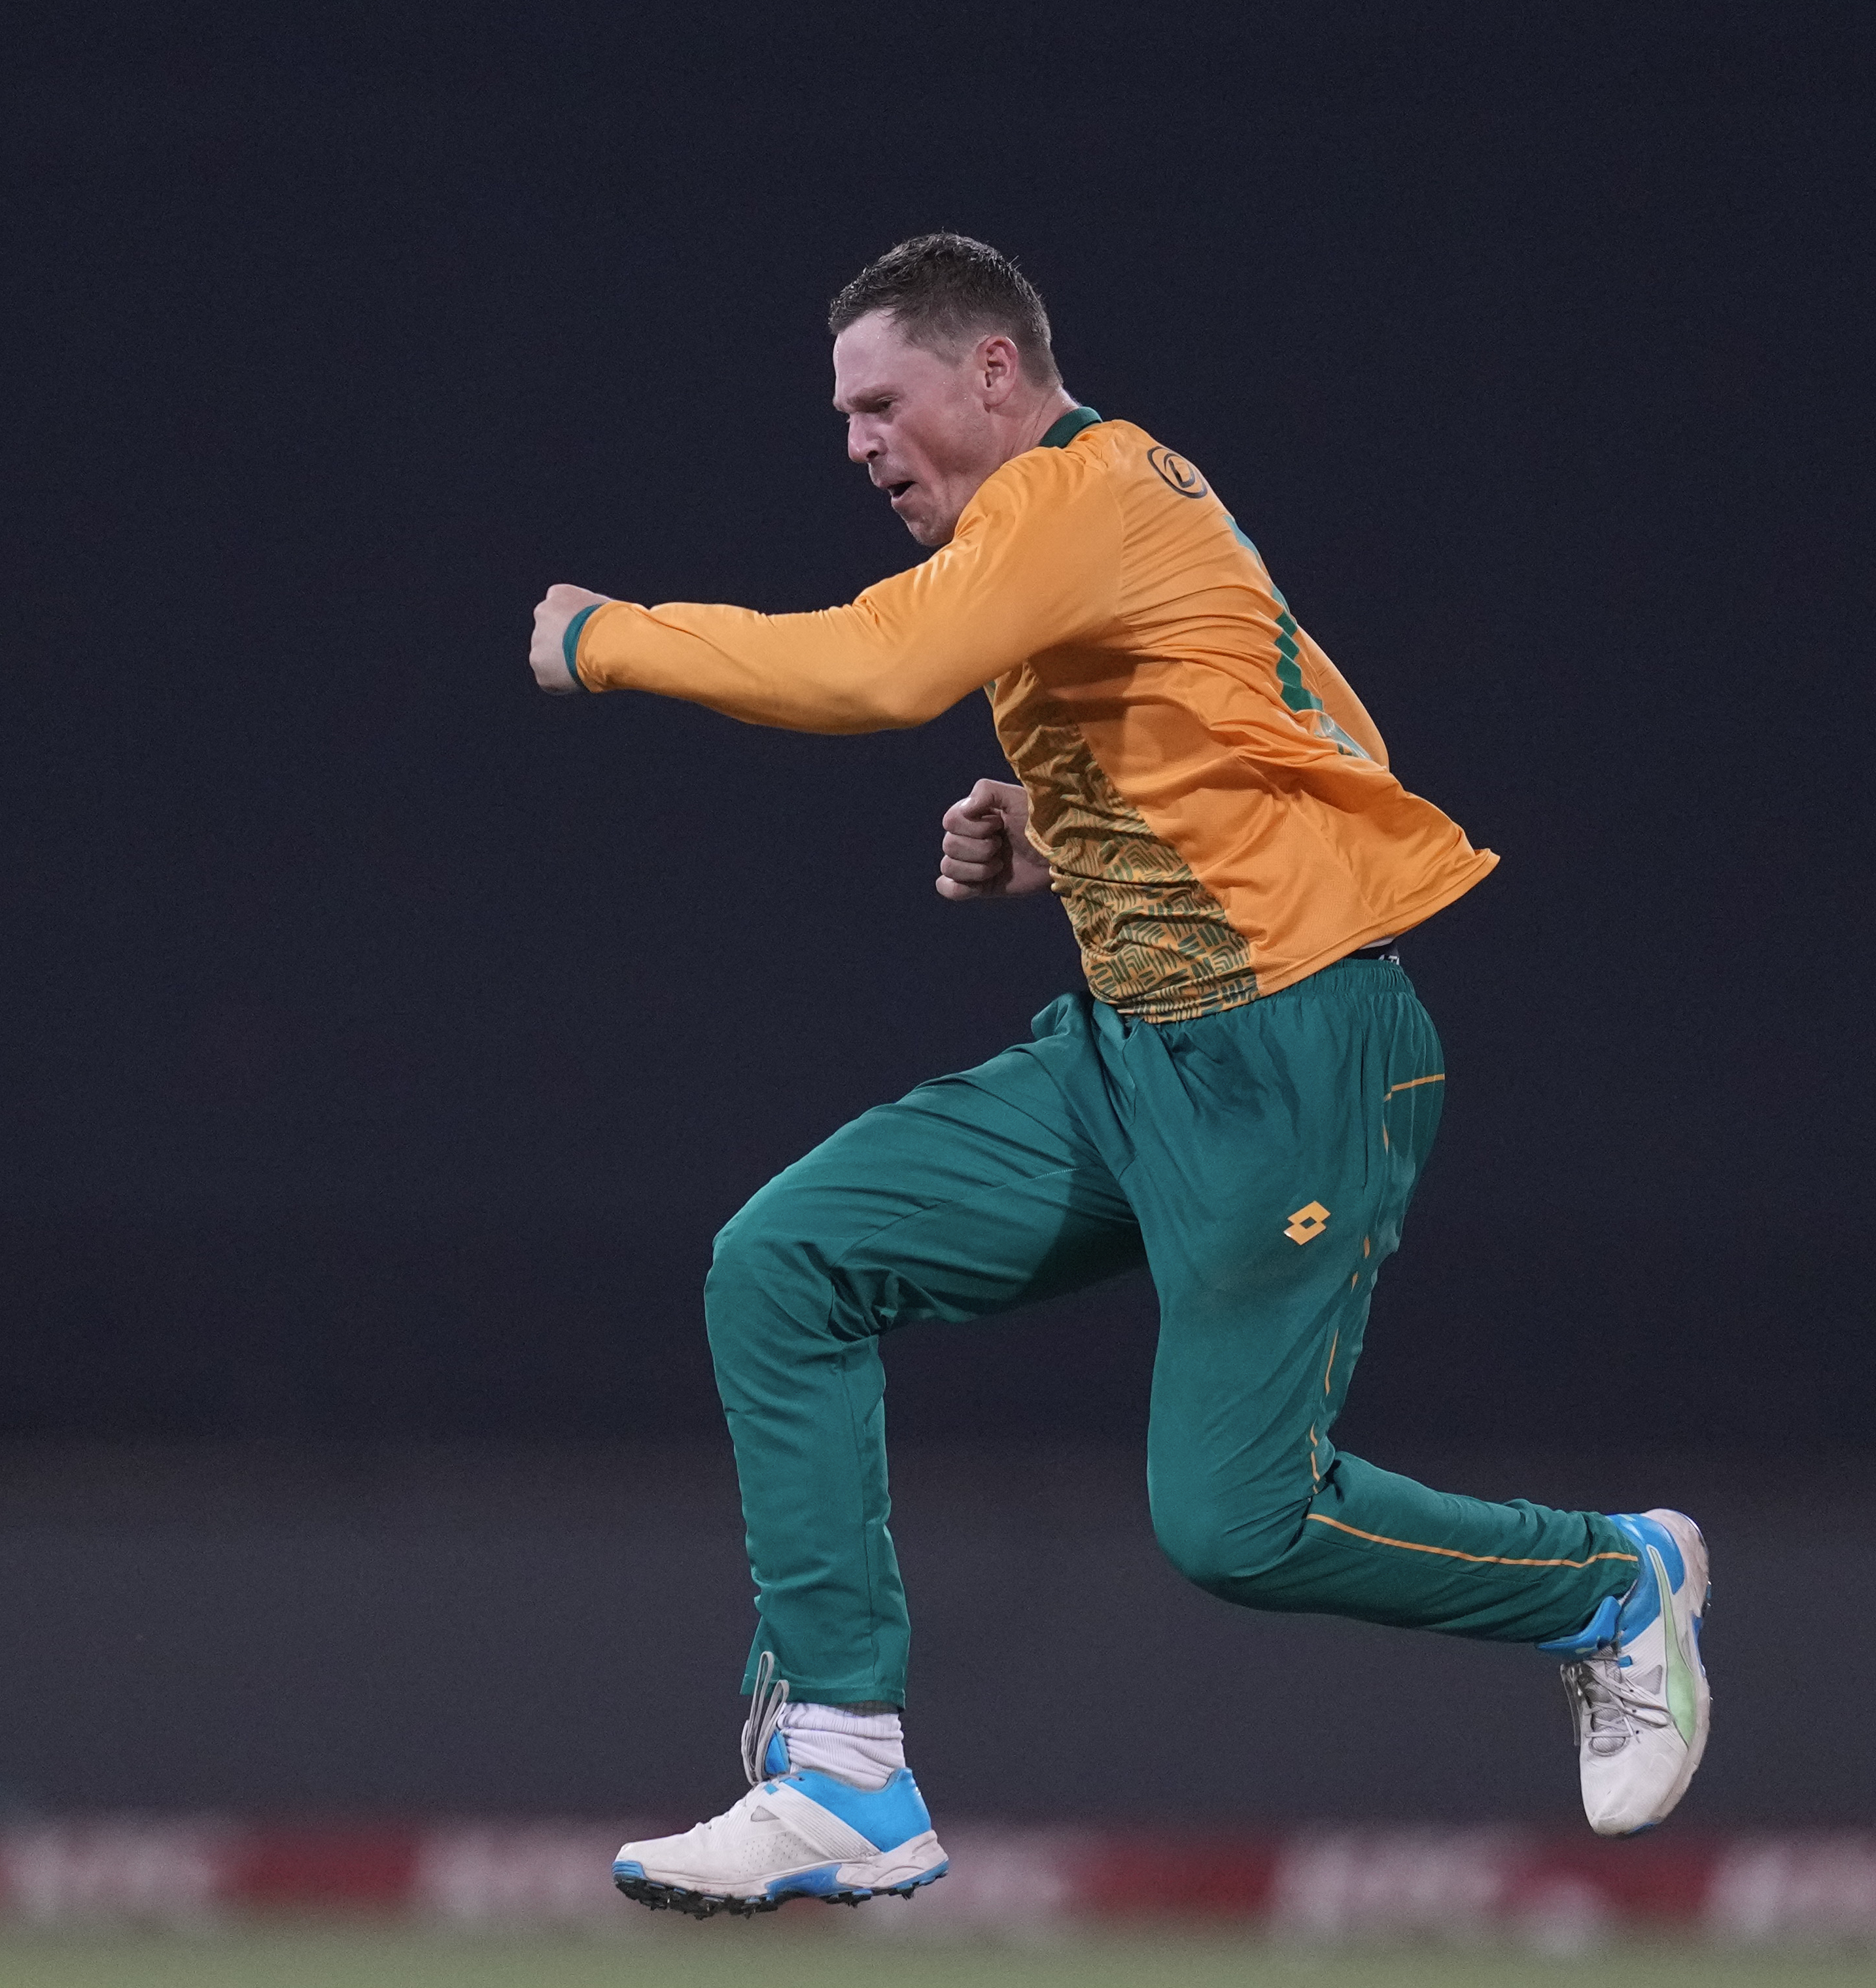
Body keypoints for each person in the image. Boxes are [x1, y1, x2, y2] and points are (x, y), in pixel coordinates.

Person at [523, 234, 1711, 1919]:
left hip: (1295, 1056)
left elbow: (878, 671)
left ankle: (1610, 1581)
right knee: (783, 1261)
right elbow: (1264, 735)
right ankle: (844, 1769)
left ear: (992, 371)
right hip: (1128, 1051)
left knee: (1236, 1529)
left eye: (883, 402)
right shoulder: (1071, 520)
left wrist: (611, 639)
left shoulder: (1076, 495)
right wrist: (1054, 848)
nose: (858, 442)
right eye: (843, 414)